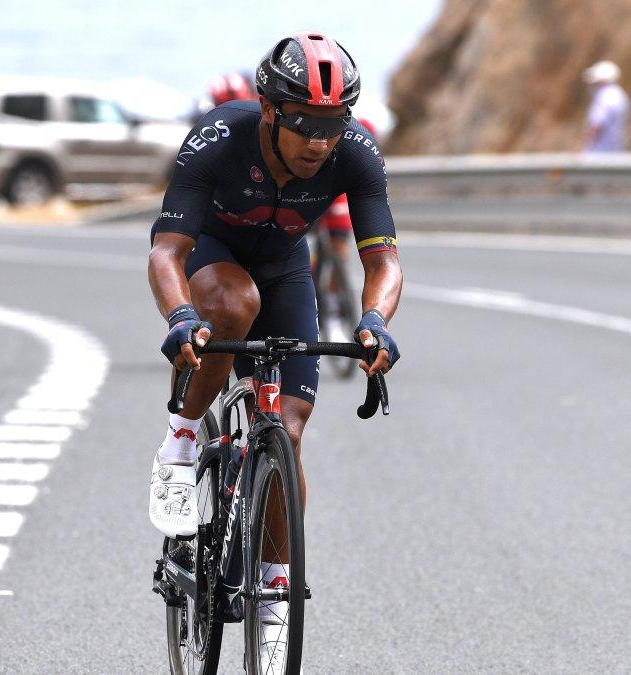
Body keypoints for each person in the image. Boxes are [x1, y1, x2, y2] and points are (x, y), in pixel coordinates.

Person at [146, 33, 403, 668]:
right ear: (270, 112)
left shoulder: (357, 151)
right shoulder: (220, 137)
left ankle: (274, 597)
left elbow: (383, 259)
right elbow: (165, 251)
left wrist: (374, 321)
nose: (319, 141)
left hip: (286, 266)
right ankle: (180, 444)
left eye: (332, 124)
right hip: (212, 254)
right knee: (234, 308)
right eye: (304, 124)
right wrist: (181, 318)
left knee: (286, 432)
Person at [315, 116, 379, 343]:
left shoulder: (362, 130)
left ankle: (332, 311)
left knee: (339, 247)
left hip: (337, 188)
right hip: (303, 187)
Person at [582, 60, 630, 153]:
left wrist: (584, 147)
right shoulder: (620, 95)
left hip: (599, 154)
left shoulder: (604, 96)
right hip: (617, 152)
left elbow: (596, 125)